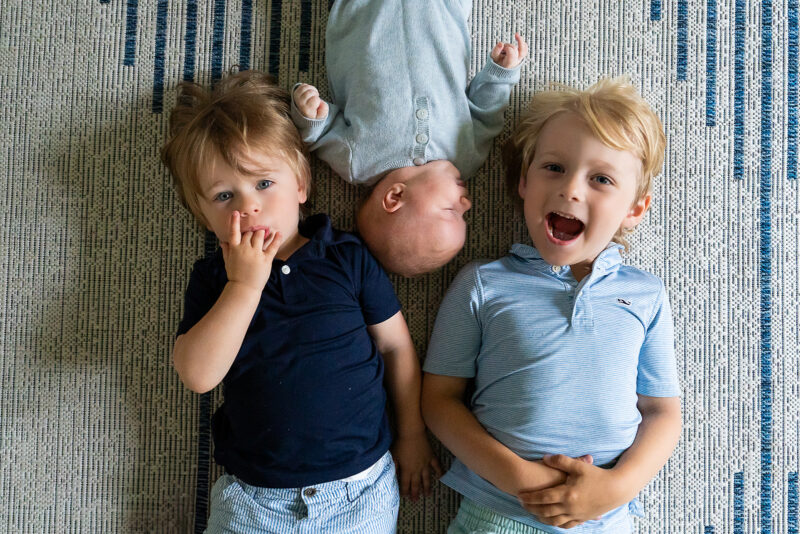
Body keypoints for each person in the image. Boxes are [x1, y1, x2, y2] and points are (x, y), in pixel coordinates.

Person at [161, 70, 441, 534]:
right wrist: (244, 287)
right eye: (224, 195)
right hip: (256, 500)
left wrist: (411, 434)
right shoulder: (214, 279)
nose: (247, 207)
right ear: (202, 215)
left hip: (359, 490)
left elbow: (395, 347)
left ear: (301, 186)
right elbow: (197, 375)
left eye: (264, 184)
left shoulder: (345, 257)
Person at [421, 77, 681, 533]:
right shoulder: (484, 284)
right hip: (498, 512)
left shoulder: (646, 296)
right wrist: (519, 478)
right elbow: (439, 401)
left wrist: (618, 487)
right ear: (524, 181)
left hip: (603, 518)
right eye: (554, 168)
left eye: (600, 179)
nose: (572, 190)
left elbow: (662, 412)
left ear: (634, 209)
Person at [290, 0, 527, 276]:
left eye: (452, 211)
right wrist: (500, 74)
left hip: (364, 11)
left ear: (396, 196)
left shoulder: (357, 162)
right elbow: (486, 112)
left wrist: (310, 115)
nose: (468, 203)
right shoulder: (466, 156)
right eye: (466, 214)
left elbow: (321, 134)